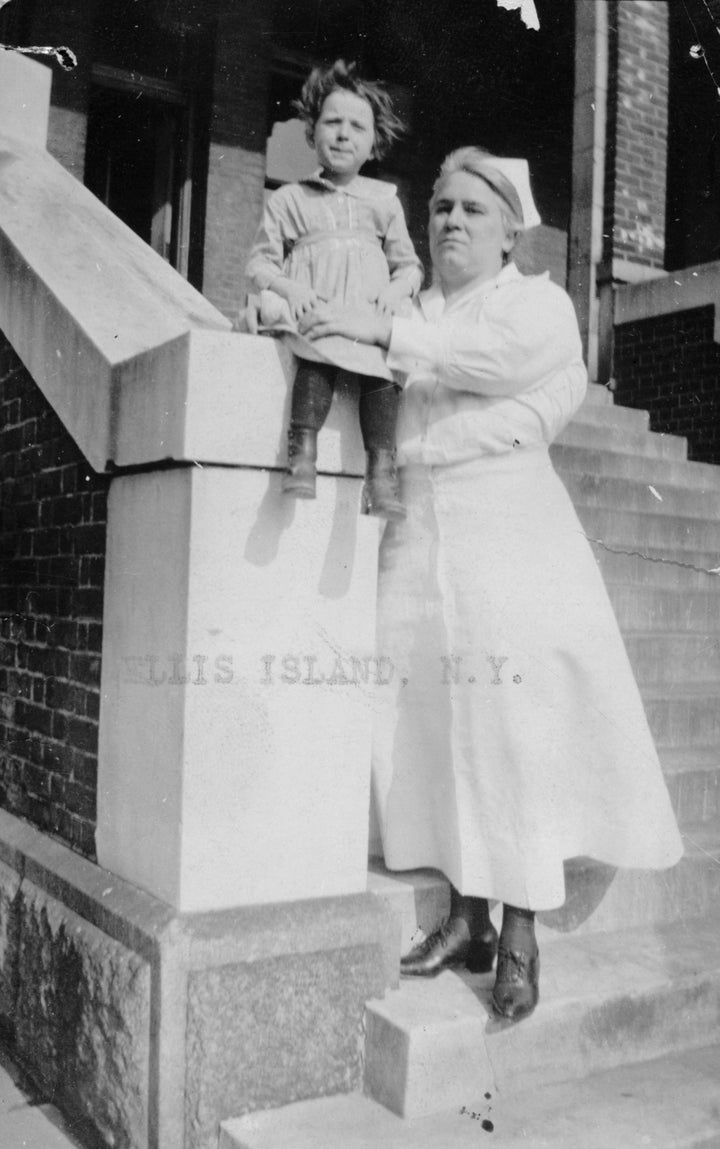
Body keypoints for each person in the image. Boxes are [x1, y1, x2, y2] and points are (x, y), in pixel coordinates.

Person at [301, 147, 684, 1022]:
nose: (451, 223)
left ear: (511, 228)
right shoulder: (414, 303)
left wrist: (413, 382)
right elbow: (438, 388)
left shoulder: (537, 306)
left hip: (513, 538)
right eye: (440, 208)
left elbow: (506, 385)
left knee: (515, 730)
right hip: (420, 535)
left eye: (473, 210)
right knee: (431, 728)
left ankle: (519, 931)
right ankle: (463, 917)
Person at [244, 59, 423, 518]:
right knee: (314, 360)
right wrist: (288, 287)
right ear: (312, 132)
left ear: (374, 144)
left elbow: (410, 266)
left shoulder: (385, 203)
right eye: (332, 122)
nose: (344, 134)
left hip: (366, 314)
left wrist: (398, 290)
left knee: (384, 374)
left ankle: (381, 477)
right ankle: (301, 457)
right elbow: (260, 263)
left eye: (357, 127)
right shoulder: (290, 199)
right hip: (318, 310)